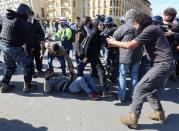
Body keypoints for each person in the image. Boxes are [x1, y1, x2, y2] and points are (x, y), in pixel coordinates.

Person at [107, 12, 175, 129]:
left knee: (139, 88)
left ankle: (133, 118)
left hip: (163, 65)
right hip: (165, 64)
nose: (134, 27)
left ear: (140, 23)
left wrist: (114, 42)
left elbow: (130, 45)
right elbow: (132, 44)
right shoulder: (152, 29)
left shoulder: (150, 29)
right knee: (151, 91)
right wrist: (117, 44)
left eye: (135, 24)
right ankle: (159, 113)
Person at [0, 4, 38, 93]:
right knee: (28, 65)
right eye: (28, 14)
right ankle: (28, 86)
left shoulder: (5, 18)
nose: (28, 16)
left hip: (3, 45)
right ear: (24, 12)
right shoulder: (19, 21)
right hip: (13, 47)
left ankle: (4, 85)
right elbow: (27, 37)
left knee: (10, 66)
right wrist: (32, 47)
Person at [113, 9, 142, 103]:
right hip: (137, 55)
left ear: (127, 17)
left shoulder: (124, 26)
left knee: (123, 76)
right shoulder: (140, 27)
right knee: (134, 76)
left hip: (125, 55)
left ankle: (121, 96)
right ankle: (133, 96)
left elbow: (115, 36)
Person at [79, 20, 108, 97]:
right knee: (101, 71)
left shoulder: (98, 33)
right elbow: (87, 46)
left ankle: (88, 86)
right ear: (96, 25)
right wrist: (86, 56)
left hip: (95, 56)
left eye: (102, 25)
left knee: (93, 72)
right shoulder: (94, 33)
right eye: (100, 25)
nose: (102, 26)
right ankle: (104, 90)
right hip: (92, 56)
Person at [28, 11, 45, 77]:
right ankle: (32, 73)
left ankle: (39, 69)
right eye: (30, 15)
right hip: (29, 46)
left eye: (32, 15)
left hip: (37, 44)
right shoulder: (25, 23)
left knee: (38, 58)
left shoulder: (36, 22)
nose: (31, 17)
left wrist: (42, 39)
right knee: (30, 60)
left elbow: (42, 32)